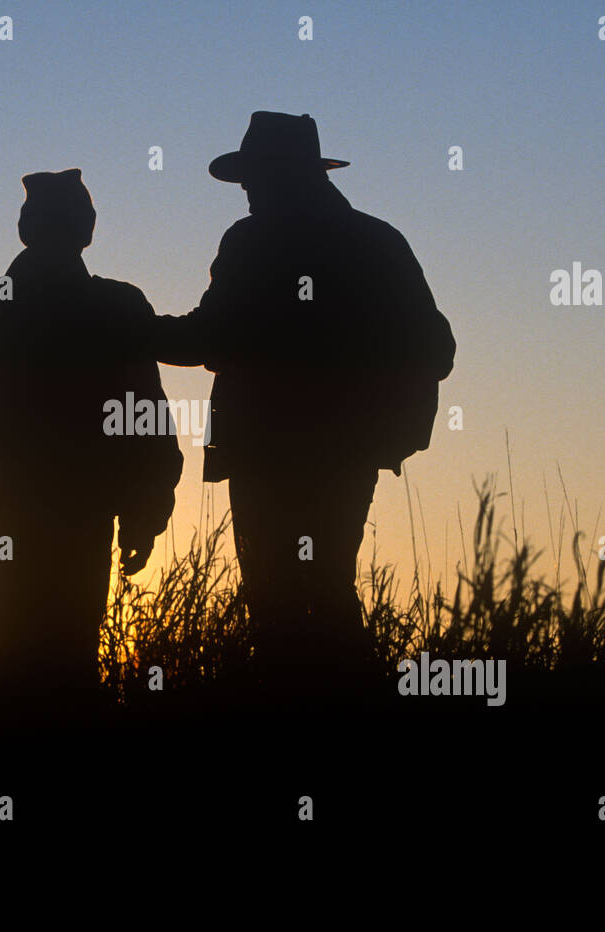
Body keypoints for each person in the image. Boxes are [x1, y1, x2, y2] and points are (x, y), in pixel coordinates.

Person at [149, 112, 455, 693]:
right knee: (326, 586)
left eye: (254, 179)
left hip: (266, 450)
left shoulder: (253, 241)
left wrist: (135, 331)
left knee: (275, 598)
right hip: (349, 451)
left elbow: (207, 336)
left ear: (281, 175)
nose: (245, 192)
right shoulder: (378, 241)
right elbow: (436, 348)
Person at [0, 168, 183, 709]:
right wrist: (146, 516)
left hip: (6, 516)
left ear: (24, 229)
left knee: (9, 670)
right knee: (73, 667)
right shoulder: (119, 305)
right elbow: (146, 420)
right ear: (87, 231)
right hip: (85, 515)